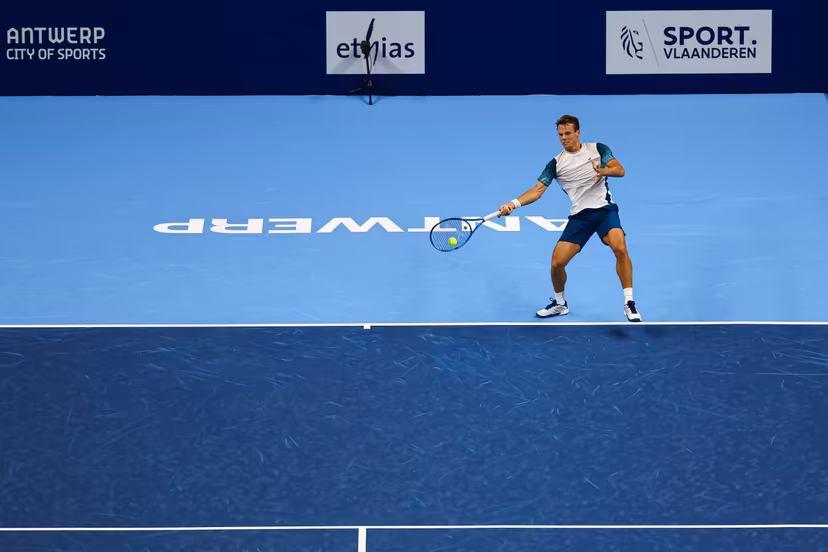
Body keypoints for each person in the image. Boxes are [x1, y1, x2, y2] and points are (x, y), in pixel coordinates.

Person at [497, 114, 641, 322]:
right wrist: (513, 204)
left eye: (567, 133)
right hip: (580, 217)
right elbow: (537, 191)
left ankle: (629, 303)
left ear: (578, 132)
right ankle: (560, 303)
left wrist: (602, 170)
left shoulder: (598, 149)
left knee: (620, 247)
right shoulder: (556, 164)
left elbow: (620, 170)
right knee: (557, 263)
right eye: (560, 135)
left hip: (604, 210)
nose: (564, 138)